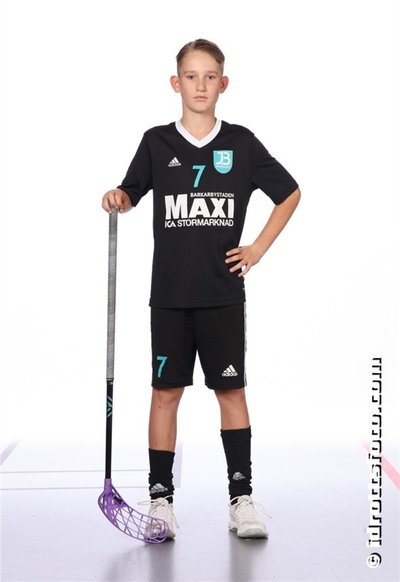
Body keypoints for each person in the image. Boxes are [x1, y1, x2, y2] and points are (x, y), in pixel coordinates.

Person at [102, 39, 300, 540]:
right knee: (165, 393)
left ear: (223, 83)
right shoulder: (156, 142)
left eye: (210, 76)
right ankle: (161, 500)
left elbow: (289, 192)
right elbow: (131, 193)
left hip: (222, 296)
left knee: (231, 391)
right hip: (170, 296)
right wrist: (117, 196)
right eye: (191, 76)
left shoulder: (241, 143)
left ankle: (241, 500)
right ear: (176, 83)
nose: (200, 85)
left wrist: (257, 248)